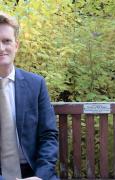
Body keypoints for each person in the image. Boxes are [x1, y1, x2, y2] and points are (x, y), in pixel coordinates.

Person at [0, 12, 58, 180]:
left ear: (16, 45)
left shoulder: (35, 84)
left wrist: (40, 176)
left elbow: (48, 136)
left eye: (6, 41)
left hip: (33, 171)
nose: (1, 48)